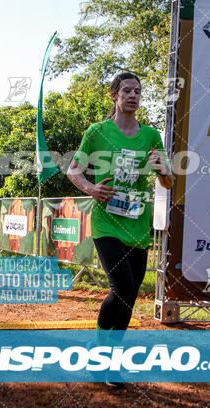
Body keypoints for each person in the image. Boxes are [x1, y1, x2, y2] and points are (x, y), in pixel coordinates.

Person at [67, 73, 174, 337]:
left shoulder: (150, 136)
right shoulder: (97, 132)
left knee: (131, 294)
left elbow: (169, 181)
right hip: (107, 223)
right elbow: (73, 171)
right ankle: (100, 346)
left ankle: (113, 356)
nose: (133, 95)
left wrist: (163, 170)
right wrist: (92, 189)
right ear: (114, 95)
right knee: (122, 287)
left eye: (137, 91)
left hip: (137, 225)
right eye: (127, 90)